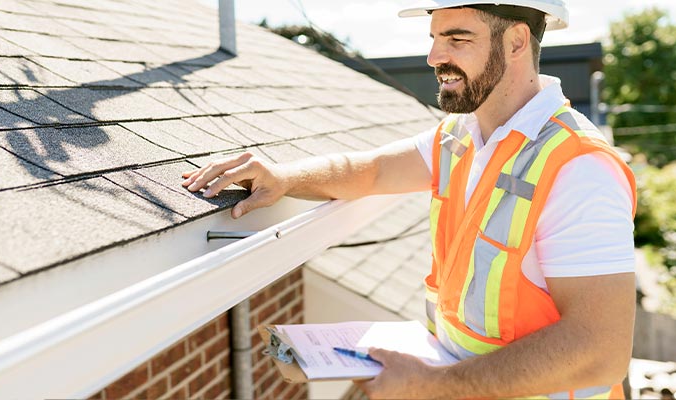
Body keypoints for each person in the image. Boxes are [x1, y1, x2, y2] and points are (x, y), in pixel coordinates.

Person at [183, 0, 637, 397]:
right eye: (435, 37)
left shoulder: (580, 168)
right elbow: (373, 170)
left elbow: (599, 351)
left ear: (517, 41)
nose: (434, 56)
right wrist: (281, 176)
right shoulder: (461, 137)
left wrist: (431, 385)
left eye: (457, 39)